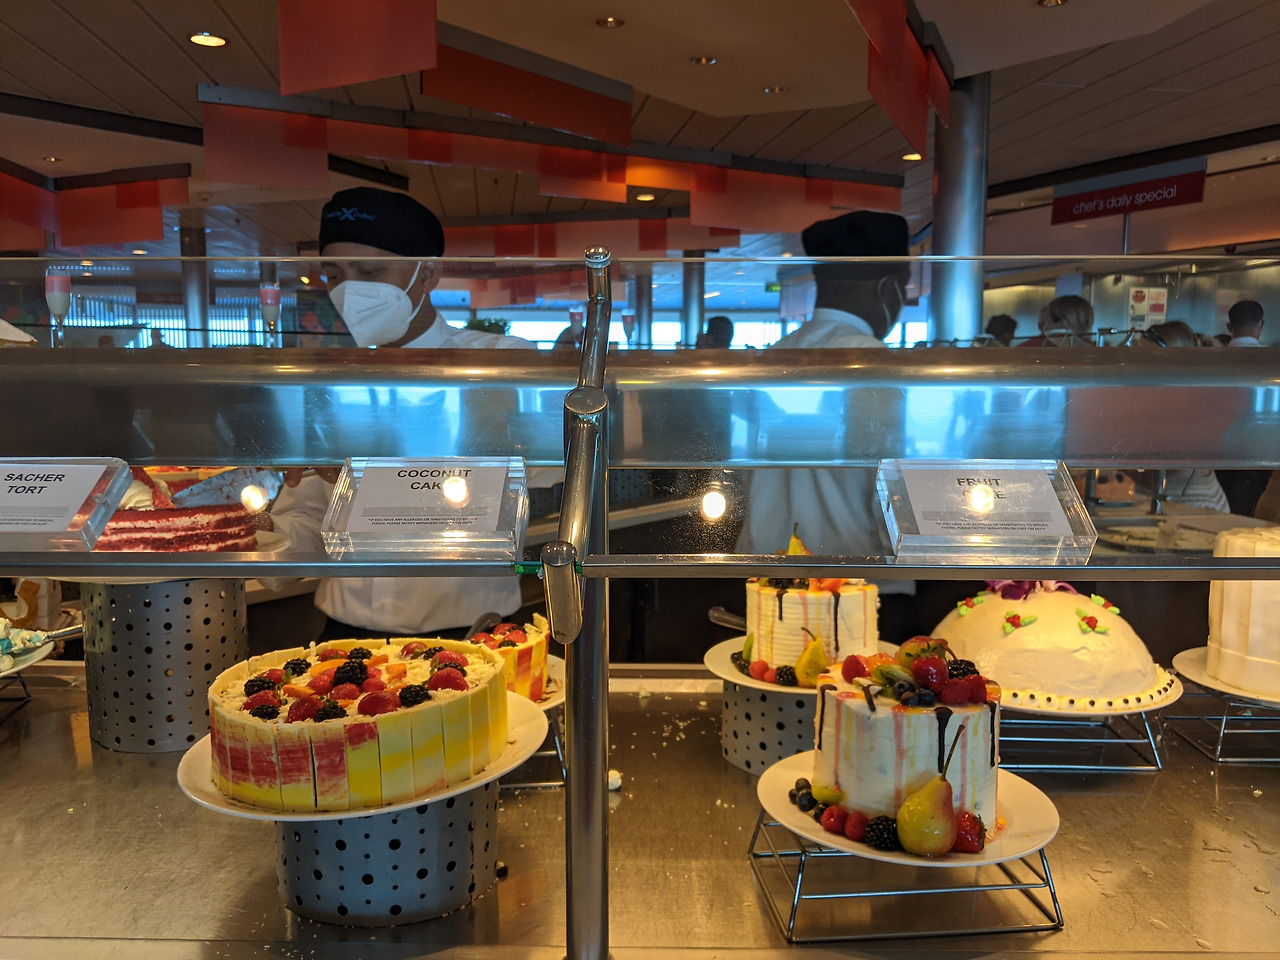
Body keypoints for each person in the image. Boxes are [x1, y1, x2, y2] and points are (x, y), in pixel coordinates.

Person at [264, 187, 546, 640]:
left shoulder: (500, 361)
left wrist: (369, 478)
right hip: (345, 635)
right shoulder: (329, 383)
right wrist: (253, 529)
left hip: (472, 630)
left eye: (370, 272)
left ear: (427, 274)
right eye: (334, 275)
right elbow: (311, 522)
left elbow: (532, 479)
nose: (348, 291)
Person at [735, 210, 917, 629]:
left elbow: (744, 477)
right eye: (905, 286)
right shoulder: (875, 364)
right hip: (854, 588)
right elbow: (888, 491)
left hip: (763, 576)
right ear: (888, 286)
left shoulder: (771, 357)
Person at [1020, 295, 1093, 346]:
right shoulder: (1094, 350)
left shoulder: (1029, 348)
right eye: (1042, 325)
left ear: (1061, 323)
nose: (1043, 330)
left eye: (1044, 324)